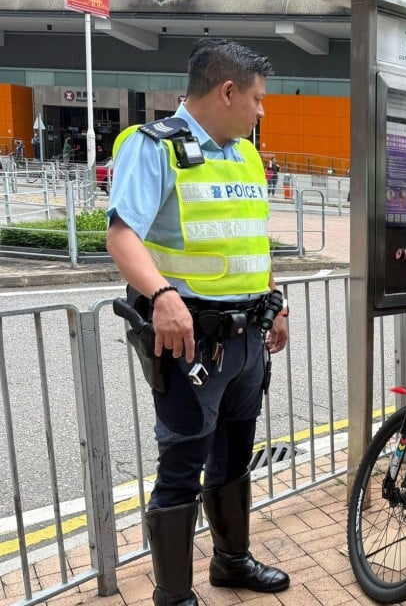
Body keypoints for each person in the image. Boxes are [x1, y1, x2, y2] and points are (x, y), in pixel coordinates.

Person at [106, 38, 291, 606]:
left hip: (247, 340)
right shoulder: (152, 147)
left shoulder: (246, 155)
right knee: (183, 461)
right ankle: (173, 595)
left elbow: (250, 240)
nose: (262, 111)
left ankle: (231, 561)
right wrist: (160, 292)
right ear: (227, 91)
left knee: (236, 453)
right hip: (190, 342)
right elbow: (121, 234)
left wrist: (274, 300)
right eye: (257, 100)